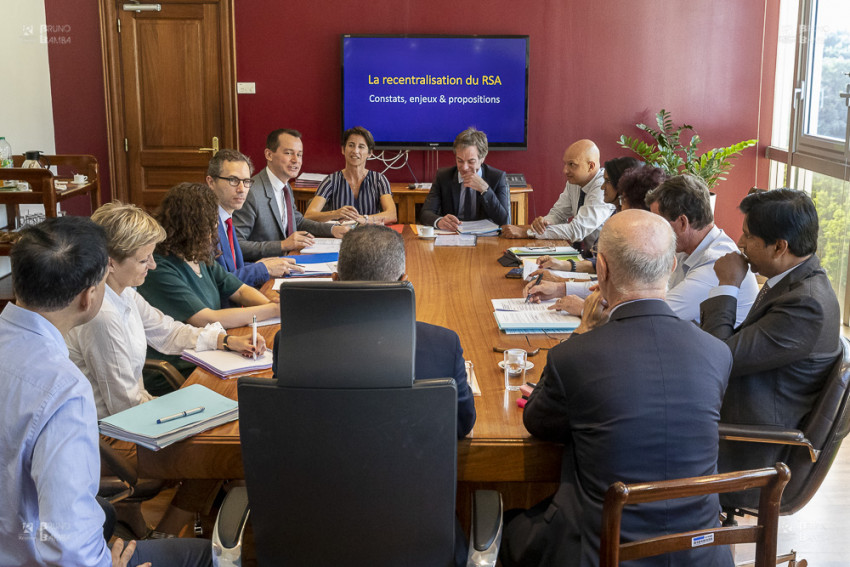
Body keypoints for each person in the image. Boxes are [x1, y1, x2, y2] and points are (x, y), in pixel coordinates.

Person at [500, 209, 733, 567]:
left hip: (600, 552)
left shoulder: (575, 356)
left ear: (602, 268)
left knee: (506, 524)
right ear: (672, 267)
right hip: (700, 555)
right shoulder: (717, 353)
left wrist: (580, 335)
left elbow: (538, 422)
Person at [0, 216, 211, 567]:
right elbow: (66, 538)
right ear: (89, 295)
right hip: (27, 553)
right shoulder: (62, 389)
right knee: (204, 555)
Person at [65, 201, 264, 538]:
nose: (153, 265)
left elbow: (168, 330)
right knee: (215, 454)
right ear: (110, 262)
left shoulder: (123, 292)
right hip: (107, 435)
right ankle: (167, 538)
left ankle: (156, 527)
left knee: (218, 436)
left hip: (128, 414)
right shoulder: (102, 317)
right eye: (144, 259)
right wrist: (188, 413)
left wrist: (223, 341)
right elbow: (123, 408)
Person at [700, 188, 841, 506]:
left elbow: (719, 357)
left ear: (780, 246)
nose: (739, 243)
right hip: (740, 419)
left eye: (748, 236)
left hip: (749, 448)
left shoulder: (805, 304)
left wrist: (727, 285)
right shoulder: (791, 282)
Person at [272, 224, 476, 439]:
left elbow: (283, 420)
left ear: (335, 280)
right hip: (409, 468)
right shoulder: (444, 344)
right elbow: (462, 424)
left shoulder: (289, 341)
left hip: (314, 470)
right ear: (404, 282)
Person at [137, 182, 278, 385]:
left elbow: (239, 290)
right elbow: (206, 318)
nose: (215, 227)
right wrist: (273, 310)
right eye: (210, 221)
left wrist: (268, 304)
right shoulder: (160, 267)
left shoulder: (197, 254)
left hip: (211, 354)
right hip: (182, 369)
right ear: (190, 225)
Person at [524, 166, 667, 315]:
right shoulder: (636, 235)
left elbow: (641, 313)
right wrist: (559, 287)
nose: (619, 208)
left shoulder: (651, 245)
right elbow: (609, 286)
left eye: (622, 200)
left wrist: (582, 307)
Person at [646, 174, 759, 325]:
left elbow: (652, 316)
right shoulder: (685, 250)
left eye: (658, 223)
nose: (653, 231)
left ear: (682, 222)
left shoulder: (716, 263)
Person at [232, 129, 347, 260]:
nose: (295, 160)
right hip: (263, 270)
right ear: (269, 154)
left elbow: (297, 221)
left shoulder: (286, 186)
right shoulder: (251, 193)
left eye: (299, 155)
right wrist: (282, 245)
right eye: (288, 153)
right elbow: (236, 246)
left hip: (288, 262)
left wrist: (332, 229)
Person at [207, 149, 302, 286]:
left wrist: (263, 264)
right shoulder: (206, 224)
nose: (242, 189)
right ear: (211, 182)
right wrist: (262, 268)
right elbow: (218, 283)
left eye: (246, 181)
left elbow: (233, 268)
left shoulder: (227, 218)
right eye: (233, 180)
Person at [501, 139, 615, 248]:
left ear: (591, 166)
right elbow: (558, 214)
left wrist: (528, 232)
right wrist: (543, 224)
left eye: (572, 164)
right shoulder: (574, 181)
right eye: (565, 164)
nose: (565, 170)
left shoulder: (603, 186)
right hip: (584, 256)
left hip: (602, 260)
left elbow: (577, 230)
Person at [419, 127, 510, 230]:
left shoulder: (497, 177)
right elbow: (425, 214)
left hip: (485, 239)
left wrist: (485, 189)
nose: (464, 167)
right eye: (460, 161)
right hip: (452, 236)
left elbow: (504, 221)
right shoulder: (443, 176)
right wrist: (439, 221)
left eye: (471, 161)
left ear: (482, 158)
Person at [304, 126, 398, 224]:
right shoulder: (331, 180)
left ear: (369, 153)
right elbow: (309, 215)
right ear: (343, 150)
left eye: (361, 147)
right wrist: (336, 213)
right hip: (340, 236)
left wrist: (364, 219)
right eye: (351, 145)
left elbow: (392, 215)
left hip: (371, 235)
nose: (355, 151)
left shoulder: (379, 179)